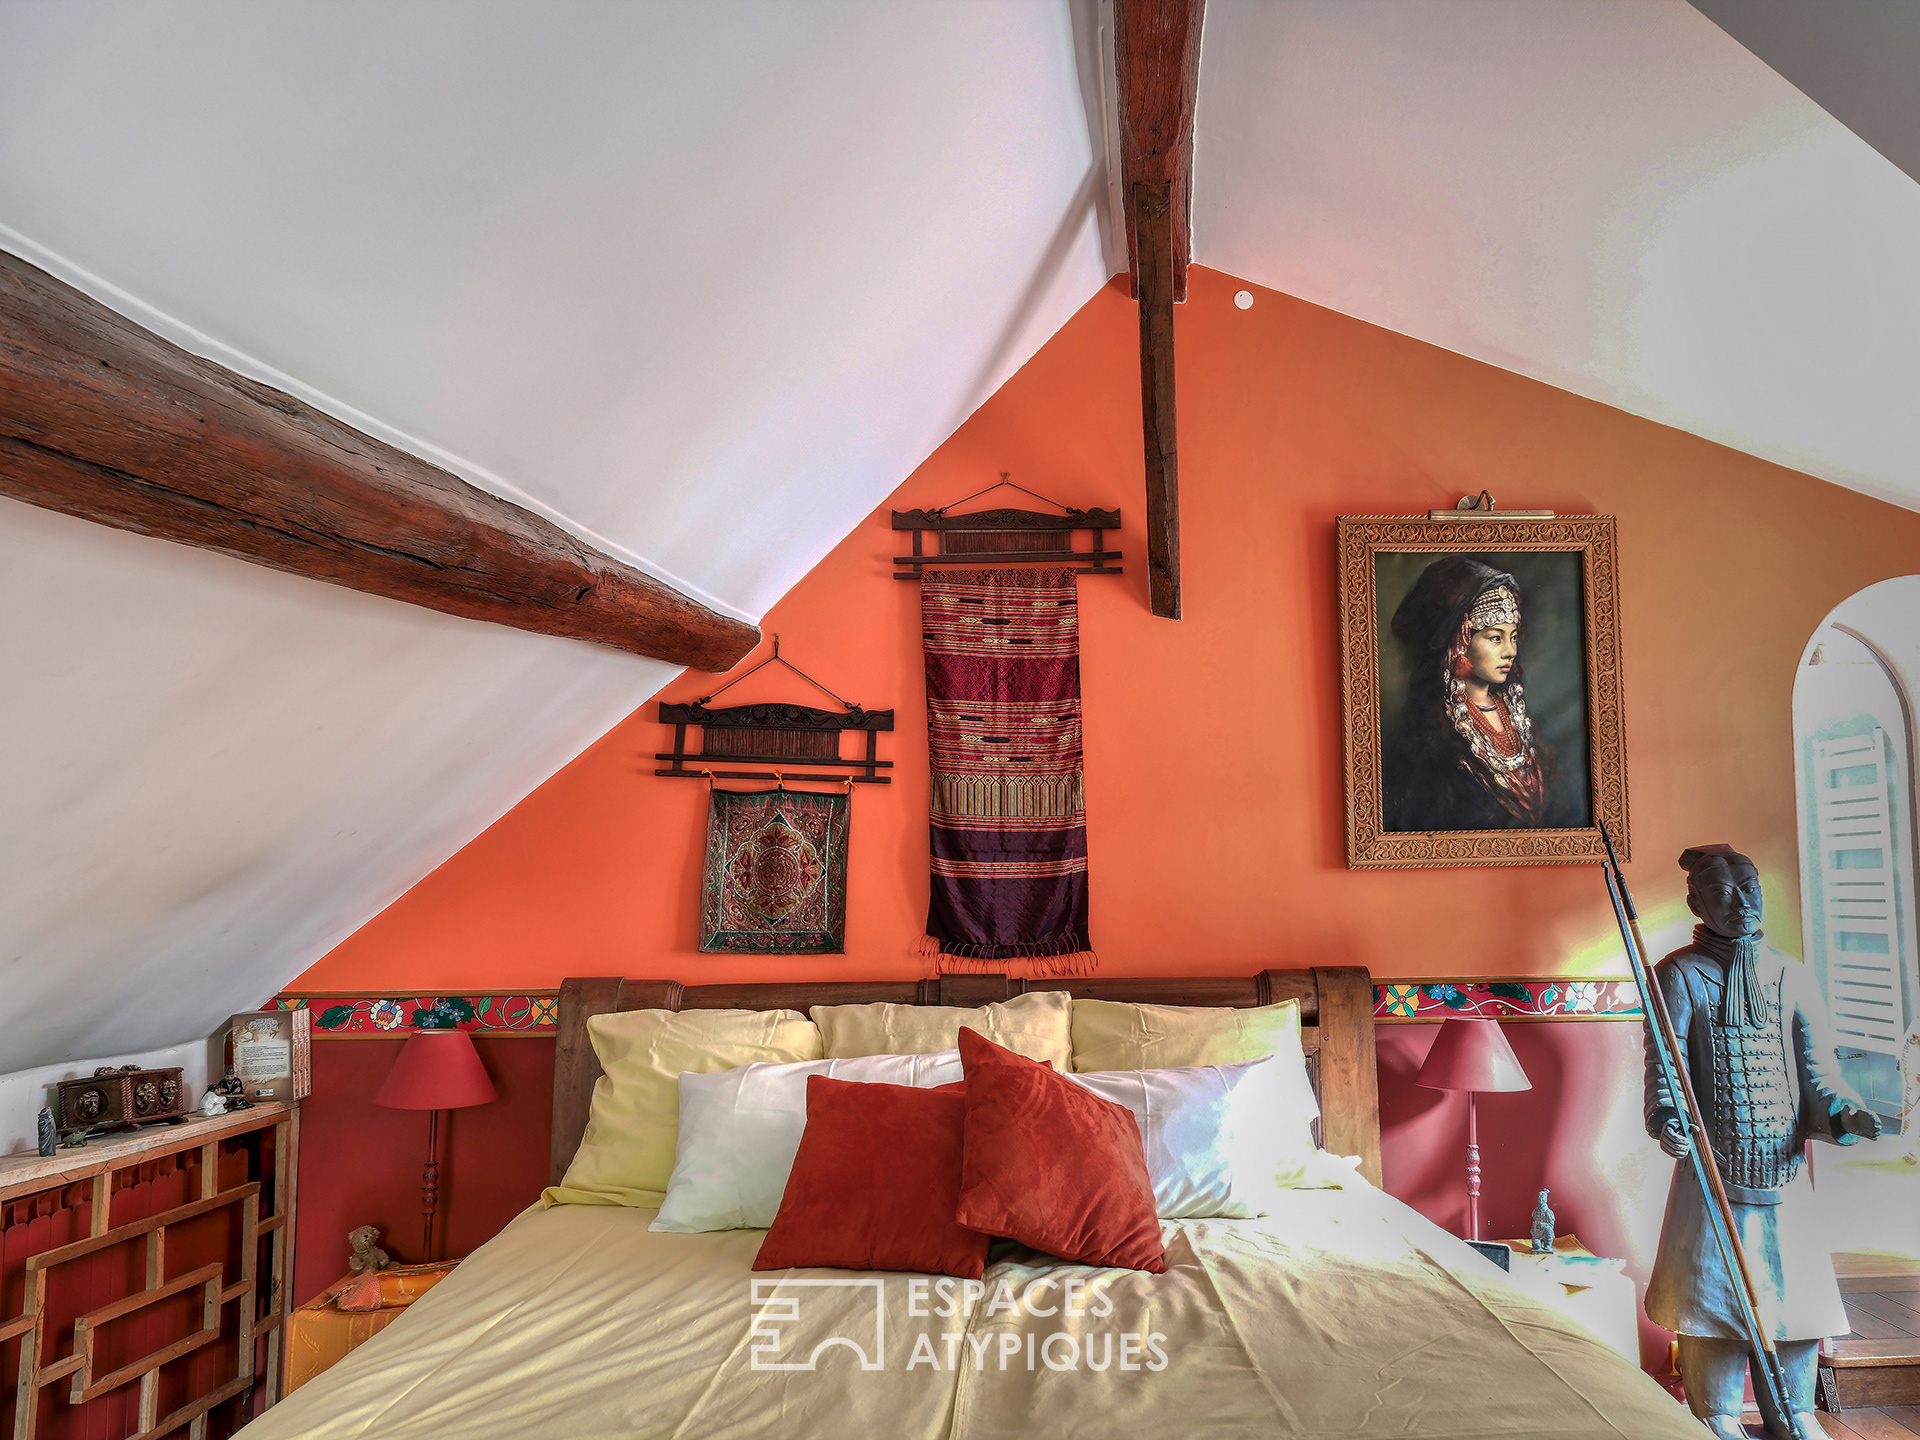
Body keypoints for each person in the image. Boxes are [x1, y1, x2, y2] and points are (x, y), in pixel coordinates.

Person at [1644, 844, 1882, 1440]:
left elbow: (1818, 1071)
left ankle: (1793, 1410)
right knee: (1712, 1303)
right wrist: (1669, 1116)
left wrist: (1846, 1113)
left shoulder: (1791, 974)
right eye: (1723, 894)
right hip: (1711, 1179)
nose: (1741, 903)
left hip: (1784, 1175)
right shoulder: (1678, 974)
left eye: (1749, 889)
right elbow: (1666, 1064)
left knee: (1793, 1305)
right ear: (1696, 904)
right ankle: (1717, 1414)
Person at [1383, 556, 1571, 831]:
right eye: (1496, 638)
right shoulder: (1432, 737)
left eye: (1513, 636)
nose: (1510, 651)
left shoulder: (1521, 722)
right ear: (1459, 642)